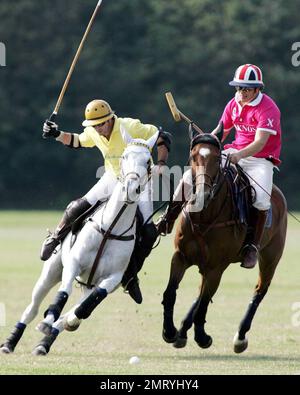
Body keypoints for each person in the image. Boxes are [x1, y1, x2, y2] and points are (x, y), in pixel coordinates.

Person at [41, 99, 171, 303]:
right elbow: (76, 141)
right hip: (112, 177)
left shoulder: (130, 126)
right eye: (94, 125)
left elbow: (163, 136)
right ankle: (55, 237)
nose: (98, 129)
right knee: (78, 206)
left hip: (139, 181)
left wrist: (161, 163)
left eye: (101, 124)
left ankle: (130, 276)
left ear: (111, 118)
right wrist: (56, 134)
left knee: (148, 232)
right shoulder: (93, 131)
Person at [157, 64, 282, 270]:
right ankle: (168, 219)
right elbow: (221, 132)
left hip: (260, 158)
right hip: (233, 152)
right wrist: (206, 141)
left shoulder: (268, 108)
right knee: (191, 176)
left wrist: (239, 155)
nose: (242, 92)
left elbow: (260, 142)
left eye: (247, 89)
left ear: (258, 89)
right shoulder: (233, 103)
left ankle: (251, 246)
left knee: (261, 198)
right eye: (239, 88)